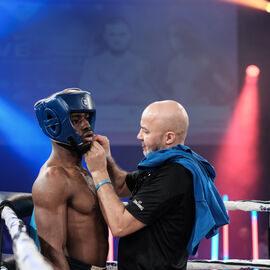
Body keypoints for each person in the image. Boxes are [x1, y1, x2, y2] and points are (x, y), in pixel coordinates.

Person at [84, 100, 229, 270]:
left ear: (169, 137)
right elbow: (122, 185)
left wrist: (98, 172)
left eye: (145, 131)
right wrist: (107, 159)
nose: (138, 136)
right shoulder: (164, 164)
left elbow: (119, 225)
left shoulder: (174, 175)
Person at [32, 88, 108, 270]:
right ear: (56, 124)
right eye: (76, 120)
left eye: (87, 118)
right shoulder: (53, 177)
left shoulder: (83, 171)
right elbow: (52, 254)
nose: (86, 125)